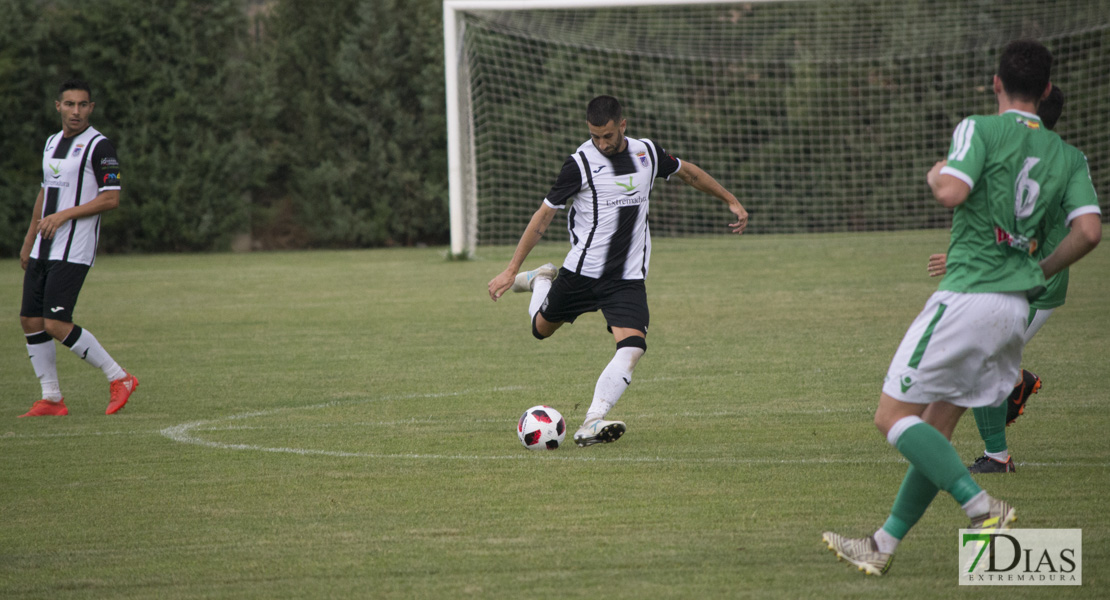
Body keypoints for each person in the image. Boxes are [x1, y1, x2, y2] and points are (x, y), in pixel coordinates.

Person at [822, 41, 1101, 576]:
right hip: (1015, 310)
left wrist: (936, 172)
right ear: (1046, 91)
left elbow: (949, 191)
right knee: (937, 428)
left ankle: (981, 508)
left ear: (996, 84)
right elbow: (1088, 231)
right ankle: (882, 544)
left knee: (891, 417)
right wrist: (1037, 271)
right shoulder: (1069, 155)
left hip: (969, 296)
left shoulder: (979, 127)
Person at [487, 95, 748, 446]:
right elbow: (543, 216)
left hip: (626, 278)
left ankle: (593, 420)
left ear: (622, 126)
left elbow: (689, 172)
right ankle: (540, 279)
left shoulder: (647, 153)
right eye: (595, 136)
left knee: (633, 346)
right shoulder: (579, 163)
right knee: (540, 330)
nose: (601, 143)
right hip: (582, 273)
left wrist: (729, 198)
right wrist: (511, 269)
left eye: (607, 135)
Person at [926, 85, 1081, 474]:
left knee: (978, 365)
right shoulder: (1051, 155)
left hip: (1031, 282)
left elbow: (1043, 233)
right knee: (983, 361)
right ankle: (1013, 385)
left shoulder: (1039, 158)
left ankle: (997, 457)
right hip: (1016, 276)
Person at [17, 78, 139, 417]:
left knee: (56, 323)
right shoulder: (52, 142)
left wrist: (65, 215)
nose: (76, 111)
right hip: (45, 246)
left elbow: (111, 198)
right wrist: (30, 239)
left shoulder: (100, 146)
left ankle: (120, 377)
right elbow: (45, 192)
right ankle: (51, 398)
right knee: (30, 319)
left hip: (74, 248)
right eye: (69, 104)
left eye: (82, 105)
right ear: (58, 106)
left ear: (91, 108)